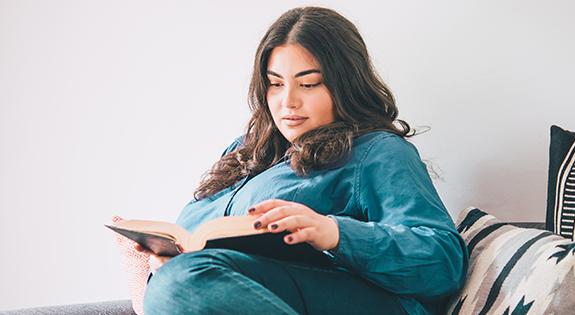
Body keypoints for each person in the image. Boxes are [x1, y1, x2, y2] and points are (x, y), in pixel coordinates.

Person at [137, 6, 468, 315]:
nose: (288, 101)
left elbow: (443, 262)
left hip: (350, 300)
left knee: (185, 281)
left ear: (345, 83)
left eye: (308, 84)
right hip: (233, 289)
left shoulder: (376, 151)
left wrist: (334, 233)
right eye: (275, 84)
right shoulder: (244, 152)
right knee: (179, 280)